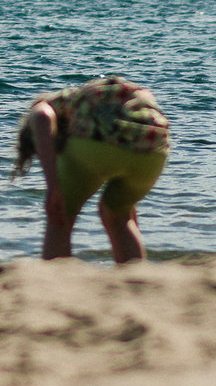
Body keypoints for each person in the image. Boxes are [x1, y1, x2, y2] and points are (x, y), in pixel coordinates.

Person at [12, 74, 171, 264]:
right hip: (154, 145)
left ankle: (54, 279)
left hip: (97, 141)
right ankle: (135, 279)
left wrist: (54, 186)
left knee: (61, 215)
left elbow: (42, 116)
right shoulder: (86, 97)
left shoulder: (51, 103)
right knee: (119, 215)